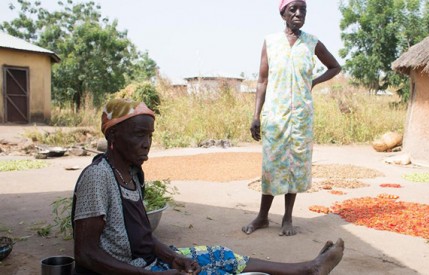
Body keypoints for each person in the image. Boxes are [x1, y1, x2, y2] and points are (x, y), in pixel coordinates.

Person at [71, 98, 344, 274]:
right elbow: (86, 254)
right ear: (114, 136)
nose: (147, 143)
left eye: (150, 135)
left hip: (147, 263)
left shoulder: (131, 173)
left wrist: (171, 256)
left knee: (221, 255)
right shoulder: (97, 178)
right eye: (139, 134)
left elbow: (142, 237)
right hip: (129, 270)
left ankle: (307, 269)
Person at [243, 0, 342, 236]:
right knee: (271, 164)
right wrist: (256, 115)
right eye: (293, 9)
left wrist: (313, 82)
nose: (299, 13)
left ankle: (288, 218)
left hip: (301, 116)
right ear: (283, 14)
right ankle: (263, 217)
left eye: (303, 10)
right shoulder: (271, 42)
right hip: (275, 115)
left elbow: (334, 66)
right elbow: (262, 81)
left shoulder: (312, 42)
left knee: (295, 164)